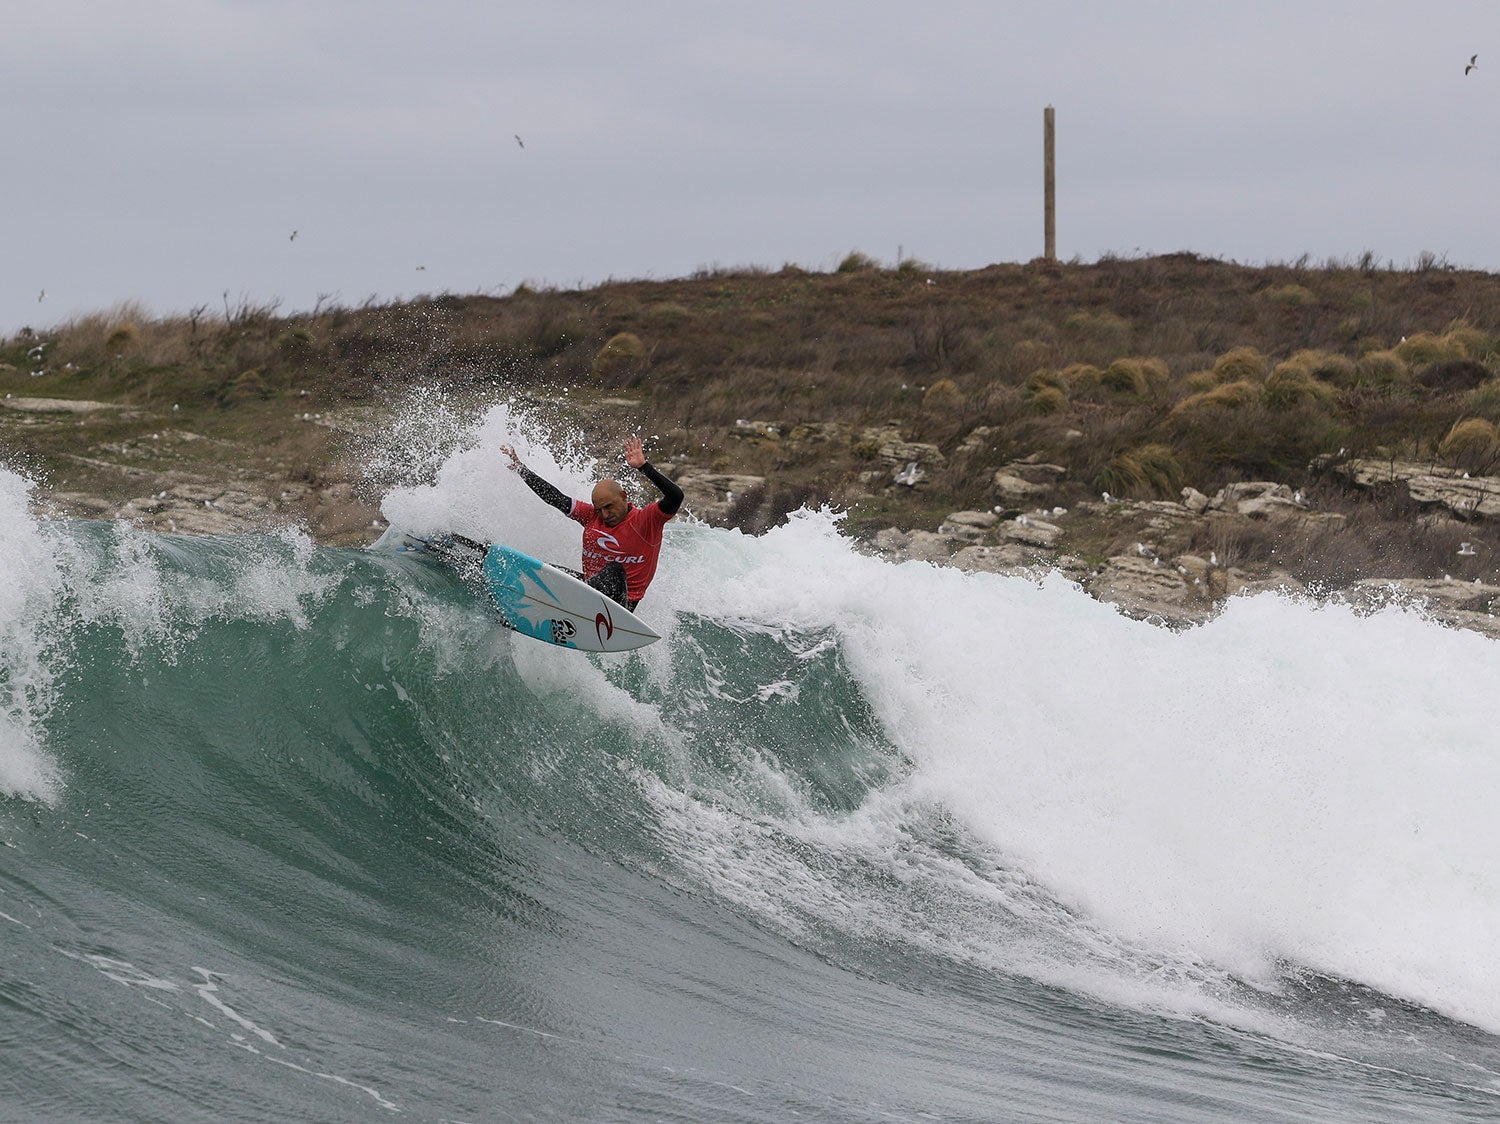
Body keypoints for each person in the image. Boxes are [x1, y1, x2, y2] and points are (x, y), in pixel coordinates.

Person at [500, 436, 683, 611]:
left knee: (615, 571)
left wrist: (644, 467)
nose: (604, 514)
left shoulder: (647, 520)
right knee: (541, 571)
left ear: (623, 497)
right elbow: (555, 498)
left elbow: (676, 496)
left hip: (620, 606)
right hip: (588, 590)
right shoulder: (591, 516)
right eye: (599, 509)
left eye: (609, 507)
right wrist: (521, 469)